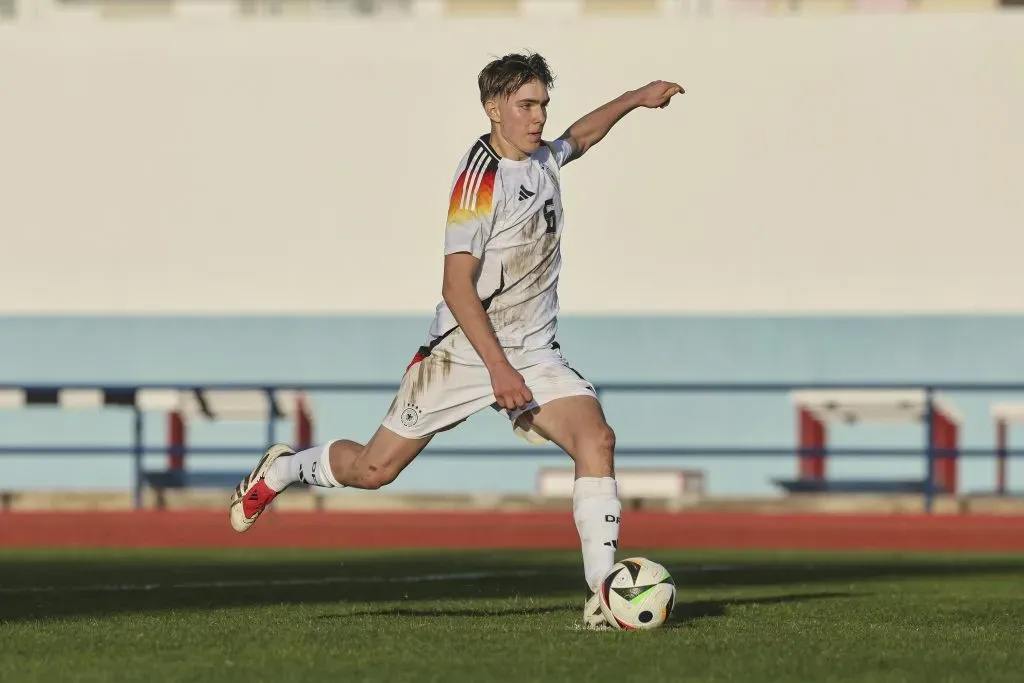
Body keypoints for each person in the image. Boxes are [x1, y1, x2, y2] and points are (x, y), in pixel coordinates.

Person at [229, 52, 684, 629]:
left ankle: (602, 590)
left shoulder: (542, 157)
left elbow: (581, 138)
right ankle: (285, 470)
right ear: (493, 109)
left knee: (597, 439)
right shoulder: (479, 182)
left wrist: (636, 98)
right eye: (526, 105)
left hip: (534, 351)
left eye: (543, 104)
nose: (538, 117)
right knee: (374, 470)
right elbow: (456, 285)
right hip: (462, 353)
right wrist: (498, 371)